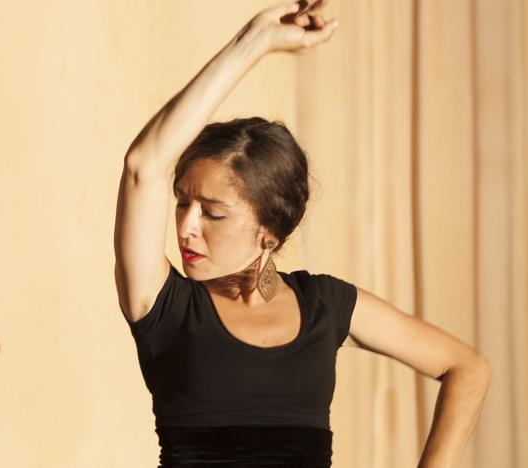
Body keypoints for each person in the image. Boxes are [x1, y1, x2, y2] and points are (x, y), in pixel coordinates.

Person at [113, 1, 492, 466]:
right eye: (182, 204)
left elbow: (466, 369)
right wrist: (254, 41)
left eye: (212, 213)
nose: (185, 228)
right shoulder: (164, 305)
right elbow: (142, 166)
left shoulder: (324, 305)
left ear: (268, 231)